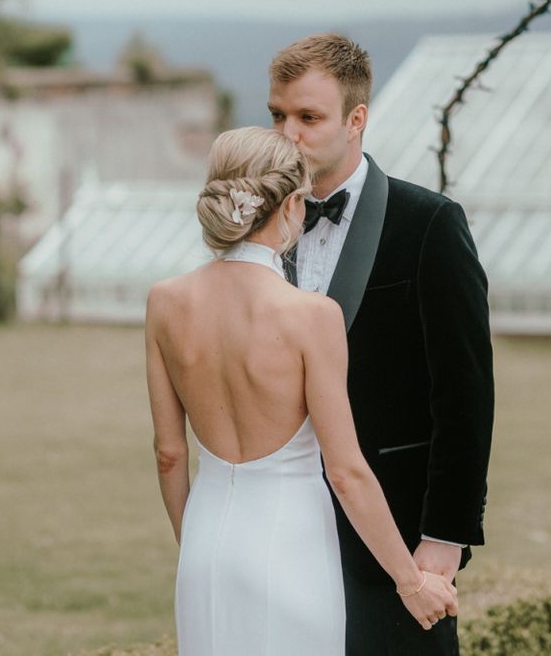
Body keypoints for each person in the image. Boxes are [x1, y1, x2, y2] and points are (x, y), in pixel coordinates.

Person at [145, 126, 458, 656]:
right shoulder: (311, 316)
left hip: (204, 549)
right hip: (291, 549)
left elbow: (170, 454)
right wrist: (410, 581)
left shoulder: (165, 301)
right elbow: (346, 471)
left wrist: (195, 544)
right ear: (292, 204)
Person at [267, 34, 494, 655]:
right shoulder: (255, 231)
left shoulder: (430, 225)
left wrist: (444, 537)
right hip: (279, 531)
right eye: (278, 116)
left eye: (308, 117)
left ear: (356, 118)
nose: (288, 134)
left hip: (394, 536)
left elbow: (466, 394)